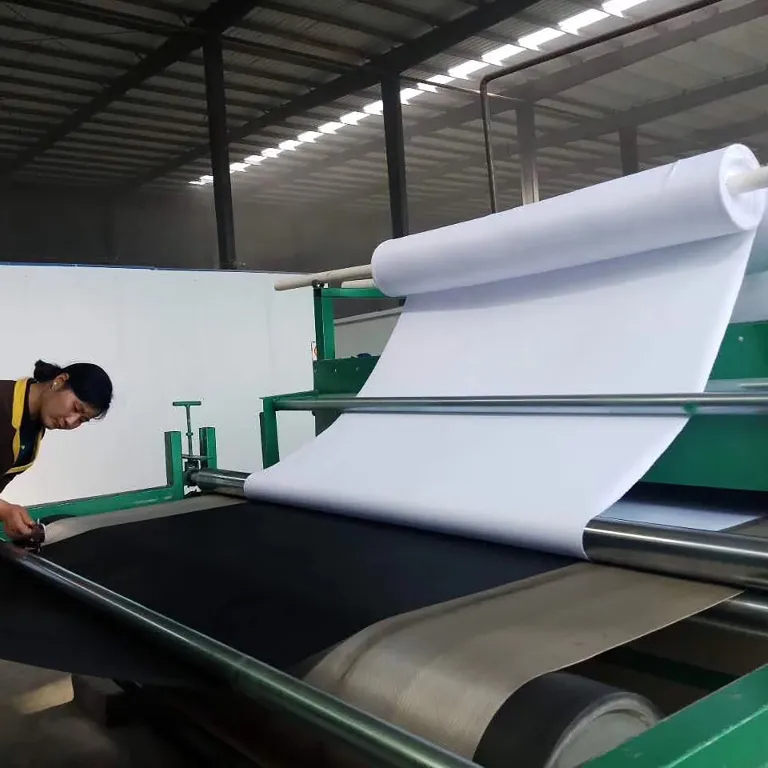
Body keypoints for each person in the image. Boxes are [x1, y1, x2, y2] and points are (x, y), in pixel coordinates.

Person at [0, 360, 113, 539]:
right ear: (59, 381)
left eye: (82, 420)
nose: (71, 421)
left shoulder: (33, 430)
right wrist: (5, 511)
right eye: (75, 408)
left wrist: (9, 518)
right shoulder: (3, 402)